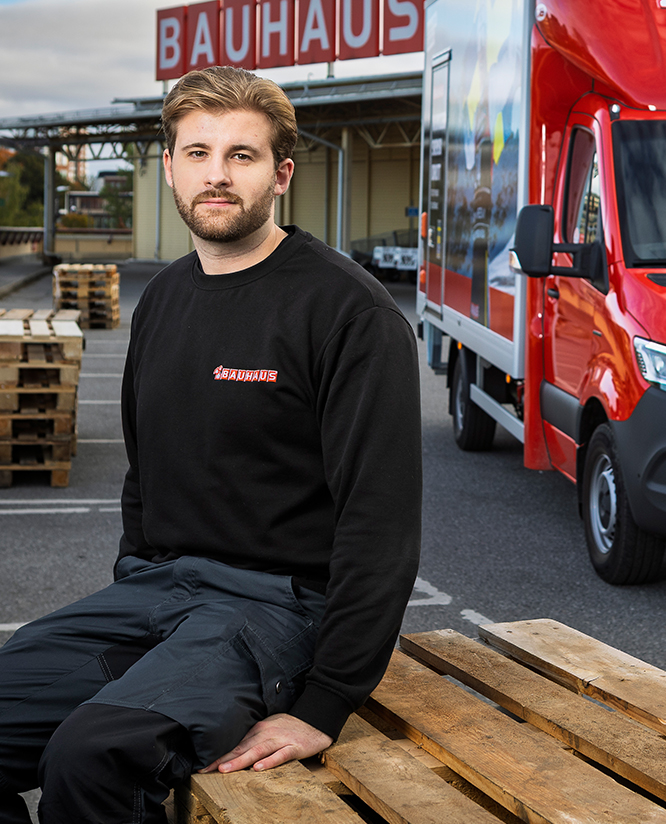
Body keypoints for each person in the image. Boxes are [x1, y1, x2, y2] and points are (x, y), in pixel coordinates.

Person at [0, 66, 423, 823]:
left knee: (92, 757)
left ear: (280, 174)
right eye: (197, 153)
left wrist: (325, 703)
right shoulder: (161, 301)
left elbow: (380, 522)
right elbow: (145, 473)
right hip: (156, 594)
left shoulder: (346, 312)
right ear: (169, 167)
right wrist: (135, 579)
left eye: (241, 155)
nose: (216, 176)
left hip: (277, 611)